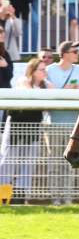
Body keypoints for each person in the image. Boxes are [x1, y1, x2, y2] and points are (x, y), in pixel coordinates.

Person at [1, 58, 52, 203]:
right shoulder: (23, 80)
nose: (44, 72)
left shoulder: (46, 85)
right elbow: (29, 93)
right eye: (41, 69)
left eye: (45, 69)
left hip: (34, 127)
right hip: (16, 126)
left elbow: (52, 94)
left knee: (28, 162)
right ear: (33, 71)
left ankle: (20, 198)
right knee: (8, 162)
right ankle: (3, 196)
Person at [46, 41, 79, 205]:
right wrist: (69, 90)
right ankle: (55, 198)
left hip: (74, 124)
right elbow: (49, 93)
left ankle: (68, 198)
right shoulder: (49, 70)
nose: (77, 53)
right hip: (53, 123)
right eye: (74, 51)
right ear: (64, 54)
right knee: (55, 161)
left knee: (70, 162)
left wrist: (65, 91)